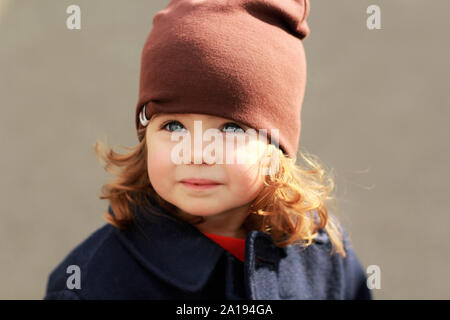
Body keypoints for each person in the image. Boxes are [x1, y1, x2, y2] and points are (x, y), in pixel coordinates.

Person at [44, 0, 372, 300]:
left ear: (277, 148)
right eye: (173, 126)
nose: (198, 153)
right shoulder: (92, 284)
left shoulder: (320, 251)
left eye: (230, 128)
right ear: (147, 137)